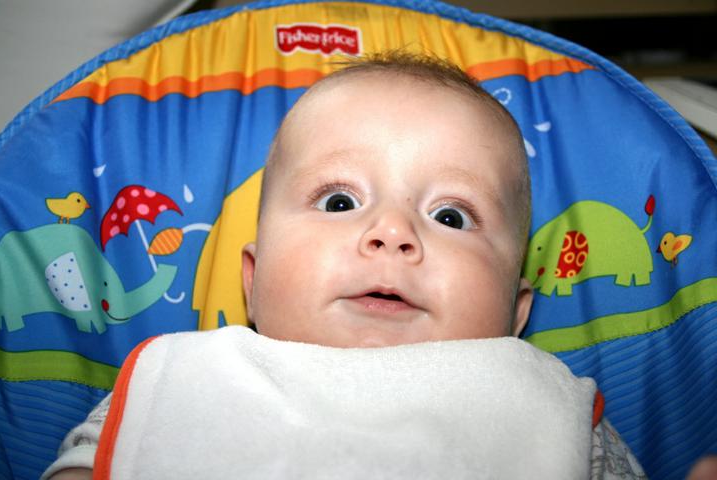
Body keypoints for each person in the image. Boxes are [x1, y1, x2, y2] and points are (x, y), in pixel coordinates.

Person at [44, 51, 646, 479]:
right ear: (253, 281)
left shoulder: (550, 414)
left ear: (517, 312)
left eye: (451, 216)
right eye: (339, 202)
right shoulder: (183, 380)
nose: (393, 232)